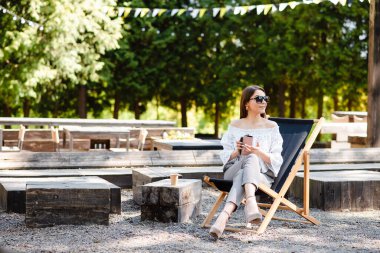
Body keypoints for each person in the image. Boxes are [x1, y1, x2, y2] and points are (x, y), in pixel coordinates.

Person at [209, 85, 283, 239]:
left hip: (261, 176)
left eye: (265, 99)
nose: (263, 102)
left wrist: (258, 152)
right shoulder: (235, 125)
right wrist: (237, 151)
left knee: (250, 162)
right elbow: (224, 155)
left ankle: (223, 217)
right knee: (249, 159)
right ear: (246, 104)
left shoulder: (272, 127)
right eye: (258, 98)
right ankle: (250, 202)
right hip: (233, 169)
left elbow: (277, 159)